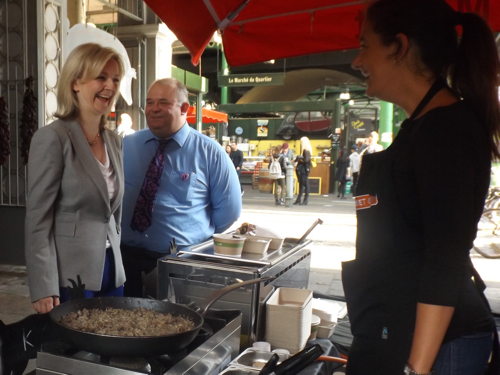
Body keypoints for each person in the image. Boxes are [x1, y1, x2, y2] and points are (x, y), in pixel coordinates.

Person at [341, 1, 499, 375]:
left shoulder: (449, 132)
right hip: (402, 327)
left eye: (365, 45)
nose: (356, 60)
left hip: (438, 347)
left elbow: (444, 258)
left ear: (399, 46)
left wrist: (415, 368)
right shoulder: (421, 125)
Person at [25, 43, 126, 314]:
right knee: (76, 354)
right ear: (75, 83)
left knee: (113, 347)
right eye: (101, 77)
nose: (110, 86)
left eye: (116, 79)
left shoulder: (113, 141)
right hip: (70, 277)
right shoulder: (53, 138)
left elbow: (113, 214)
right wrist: (43, 285)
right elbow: (38, 219)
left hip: (111, 269)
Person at [121, 78, 242, 297]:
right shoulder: (126, 146)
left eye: (163, 102)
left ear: (185, 108)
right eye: (149, 102)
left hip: (179, 266)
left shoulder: (210, 153)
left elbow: (229, 213)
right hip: (125, 262)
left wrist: (190, 235)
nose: (154, 109)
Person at [293, 136, 312, 205]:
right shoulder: (308, 150)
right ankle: (300, 199)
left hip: (303, 170)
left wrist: (299, 158)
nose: (301, 143)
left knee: (305, 184)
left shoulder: (306, 150)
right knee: (303, 184)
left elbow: (306, 160)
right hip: (305, 170)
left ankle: (304, 200)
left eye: (301, 142)